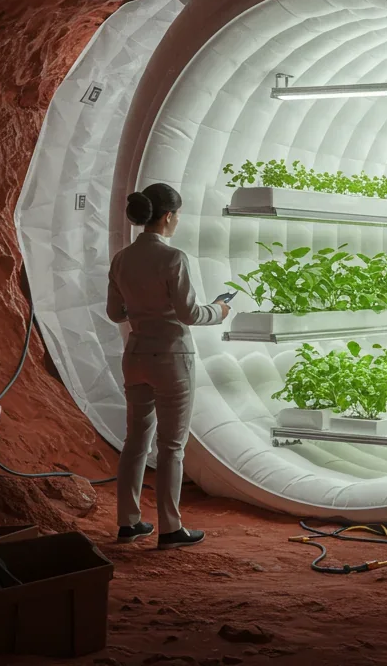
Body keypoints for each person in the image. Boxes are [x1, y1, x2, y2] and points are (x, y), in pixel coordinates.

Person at [106, 183, 230, 547]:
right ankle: (170, 527)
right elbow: (189, 314)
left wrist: (142, 309)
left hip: (136, 354)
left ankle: (129, 522)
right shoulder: (173, 258)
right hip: (172, 357)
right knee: (172, 446)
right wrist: (219, 310)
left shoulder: (122, 259)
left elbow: (115, 313)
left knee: (135, 442)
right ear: (169, 216)